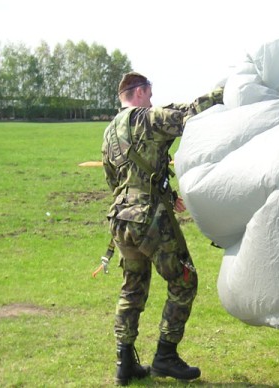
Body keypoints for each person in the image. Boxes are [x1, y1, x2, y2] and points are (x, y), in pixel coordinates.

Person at [101, 71, 223, 385]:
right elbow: (190, 114)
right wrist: (225, 91)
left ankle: (124, 361)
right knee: (185, 280)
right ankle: (166, 355)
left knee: (132, 289)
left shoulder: (110, 132)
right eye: (150, 94)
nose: (152, 100)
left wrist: (166, 193)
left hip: (121, 220)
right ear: (139, 93)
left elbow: (116, 181)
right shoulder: (146, 118)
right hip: (148, 219)